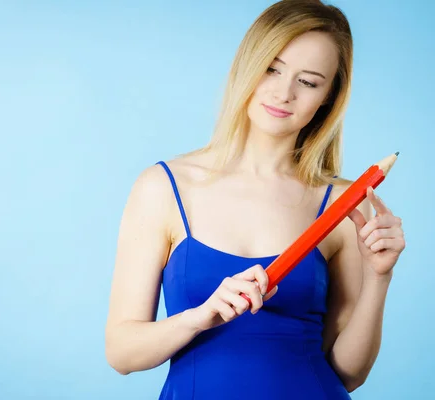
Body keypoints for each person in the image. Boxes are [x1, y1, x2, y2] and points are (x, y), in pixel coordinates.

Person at [104, 0, 406, 398]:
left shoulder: (344, 203)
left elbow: (347, 373)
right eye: (271, 68)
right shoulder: (162, 187)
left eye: (309, 81)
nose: (283, 93)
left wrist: (379, 278)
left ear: (328, 98)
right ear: (246, 65)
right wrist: (198, 319)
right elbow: (122, 353)